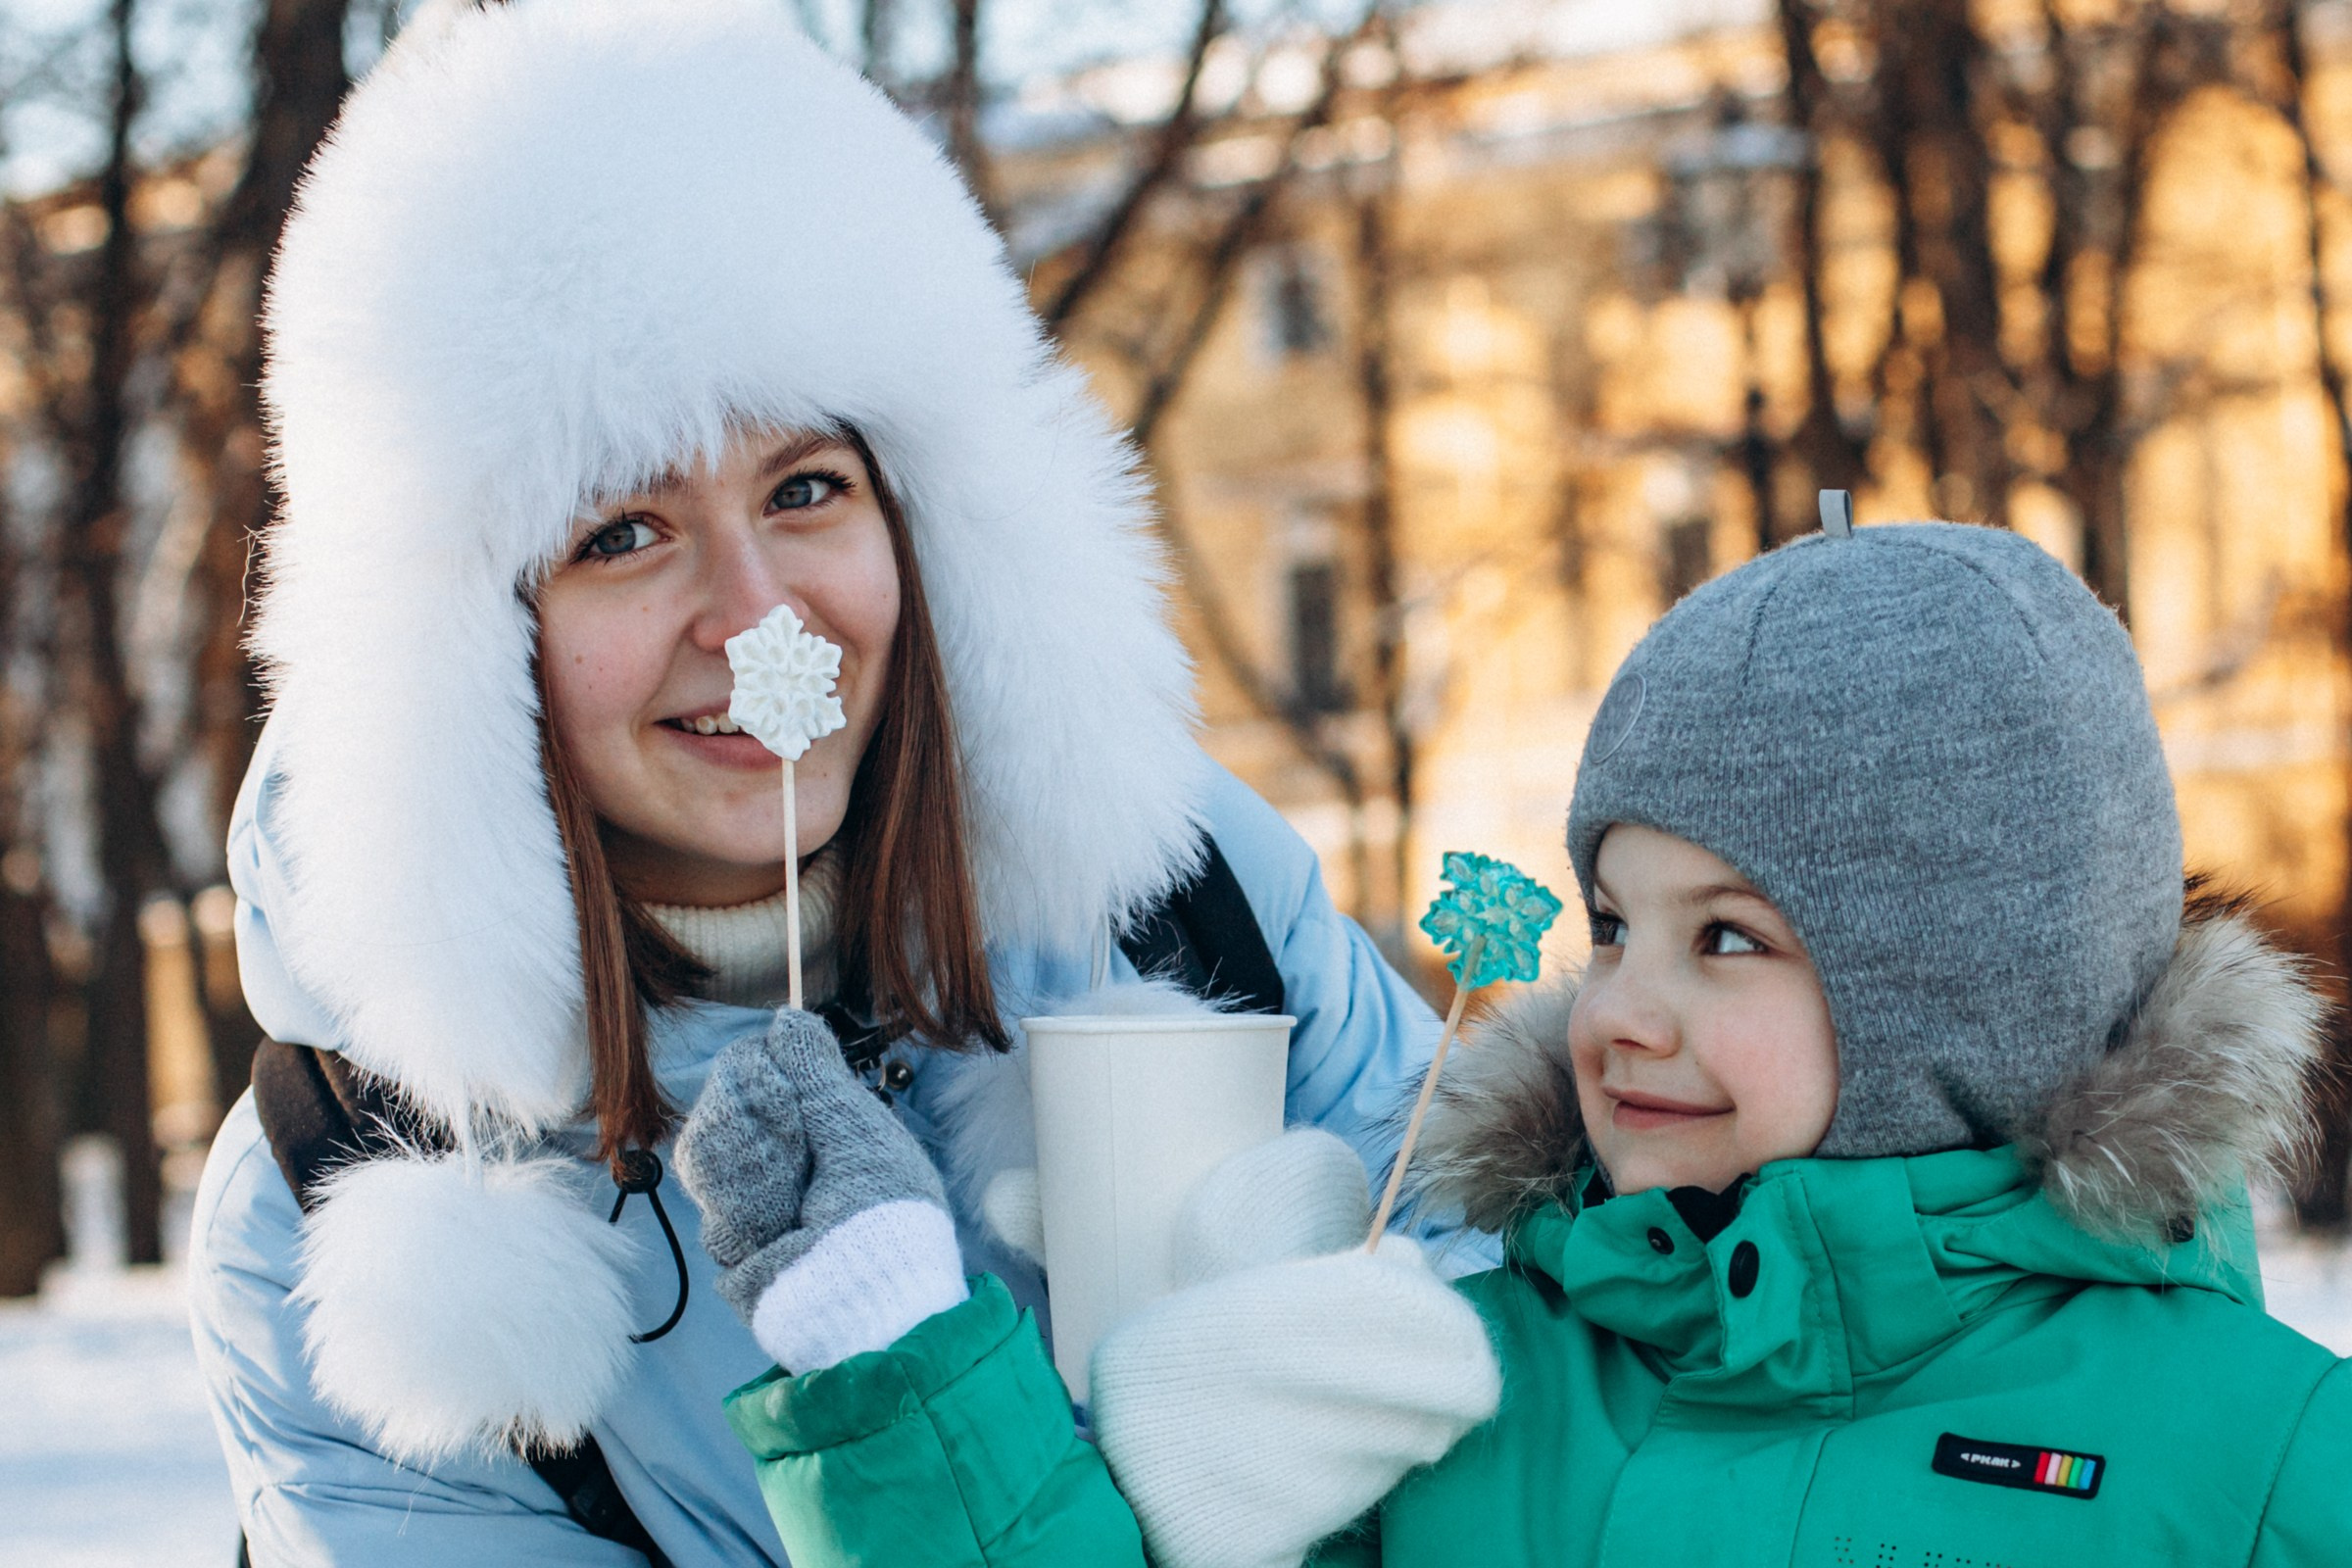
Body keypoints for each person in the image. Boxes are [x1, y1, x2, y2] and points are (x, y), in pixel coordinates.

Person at [186, 1, 1487, 1561]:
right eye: (621, 532)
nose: (756, 618)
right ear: (464, 648)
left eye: (806, 488)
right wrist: (897, 1404)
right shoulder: (346, 1205)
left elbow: (1525, 1436)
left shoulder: (1185, 906)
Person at [680, 519, 2352, 1566]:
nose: (1619, 1002)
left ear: (1961, 992)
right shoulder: (1454, 1385)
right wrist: (887, 1343)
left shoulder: (2264, 1457)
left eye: (1728, 940)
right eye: (1613, 923)